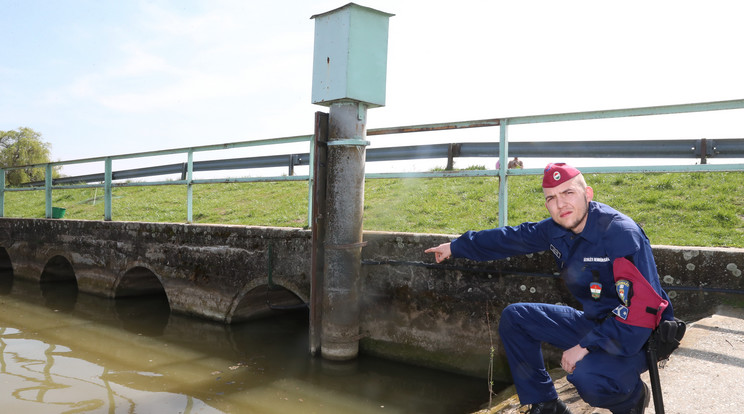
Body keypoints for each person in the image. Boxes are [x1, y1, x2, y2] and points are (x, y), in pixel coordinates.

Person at [425, 163, 673, 414]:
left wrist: (585, 346)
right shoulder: (557, 228)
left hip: (638, 335)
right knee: (516, 317)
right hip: (596, 322)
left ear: (588, 193)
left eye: (568, 193)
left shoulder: (620, 233)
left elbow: (643, 310)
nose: (561, 204)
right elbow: (511, 237)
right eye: (551, 198)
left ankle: (631, 399)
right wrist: (456, 247)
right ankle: (546, 404)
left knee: (587, 378)